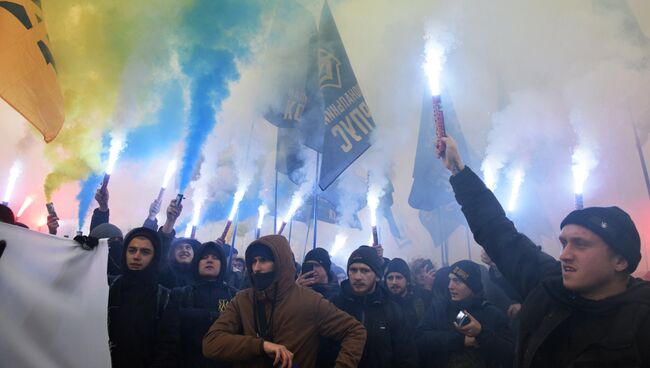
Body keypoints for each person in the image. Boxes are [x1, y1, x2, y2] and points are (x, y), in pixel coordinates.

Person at [441, 136, 650, 367]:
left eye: (580, 244)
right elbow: (497, 231)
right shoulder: (547, 286)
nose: (564, 255)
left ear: (620, 260)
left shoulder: (642, 320)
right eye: (564, 243)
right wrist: (459, 172)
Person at [202, 235, 366, 368]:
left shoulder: (310, 301)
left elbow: (355, 331)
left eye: (264, 260)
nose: (256, 268)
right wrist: (260, 346)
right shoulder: (242, 300)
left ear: (281, 263)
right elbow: (211, 343)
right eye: (253, 261)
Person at [331, 246, 418, 368]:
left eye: (365, 270)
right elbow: (324, 352)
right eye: (353, 270)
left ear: (377, 276)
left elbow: (406, 358)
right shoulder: (335, 306)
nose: (357, 276)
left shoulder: (393, 311)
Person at [417, 260, 514, 368]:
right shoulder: (439, 309)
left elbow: (510, 354)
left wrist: (481, 333)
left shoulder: (492, 314)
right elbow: (421, 338)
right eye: (450, 280)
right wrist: (461, 340)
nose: (450, 286)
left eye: (457, 281)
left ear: (472, 286)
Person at [108, 227, 178, 367]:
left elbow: (167, 348)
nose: (136, 256)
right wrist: (84, 254)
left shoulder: (164, 298)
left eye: (145, 252)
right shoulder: (109, 288)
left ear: (154, 257)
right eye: (132, 250)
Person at [172, 241, 238, 368]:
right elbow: (170, 338)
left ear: (223, 264)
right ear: (197, 263)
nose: (209, 260)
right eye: (204, 257)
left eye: (215, 258)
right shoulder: (180, 294)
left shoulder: (235, 297)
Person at [384, 257, 427, 324]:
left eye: (398, 277)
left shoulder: (418, 301)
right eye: (390, 278)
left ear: (407, 281)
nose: (394, 282)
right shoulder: (382, 304)